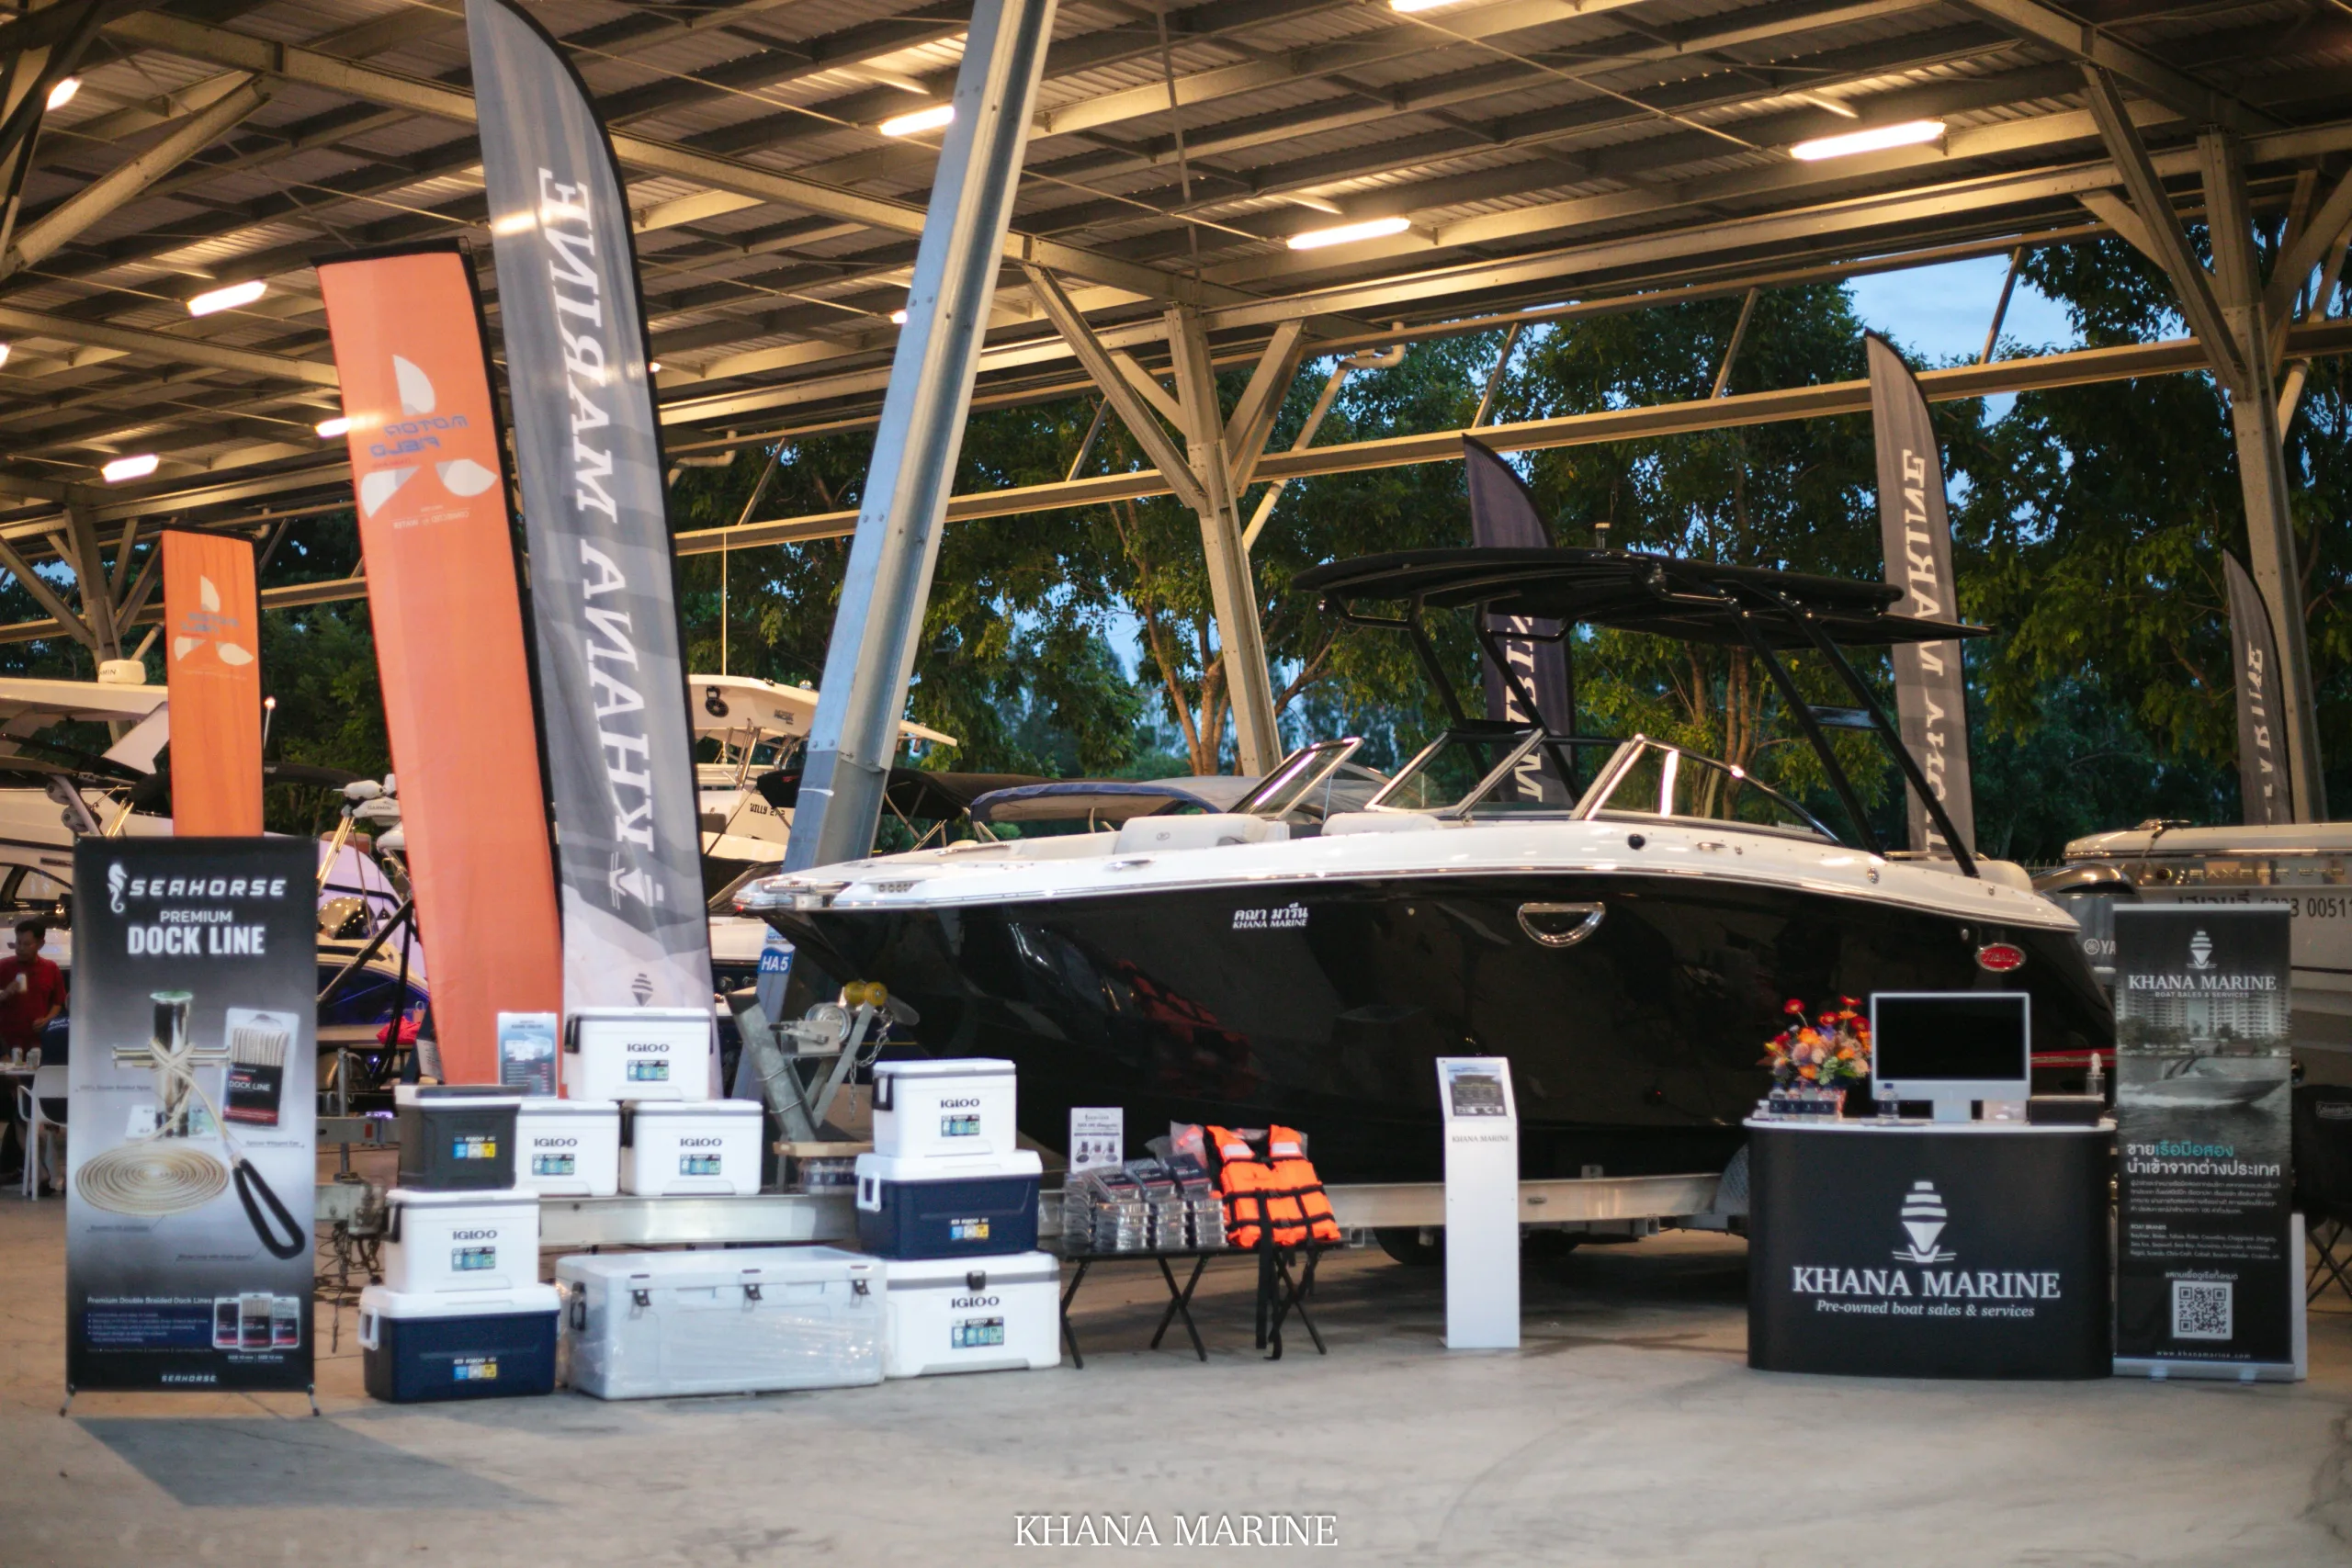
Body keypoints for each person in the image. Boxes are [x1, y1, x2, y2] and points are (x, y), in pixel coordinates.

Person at [0, 920, 65, 1059]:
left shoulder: (50, 969)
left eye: (27, 944)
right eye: (18, 942)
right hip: (7, 1042)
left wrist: (47, 1020)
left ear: (40, 944)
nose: (20, 948)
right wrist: (4, 994)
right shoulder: (3, 967)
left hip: (39, 1041)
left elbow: (58, 1002)